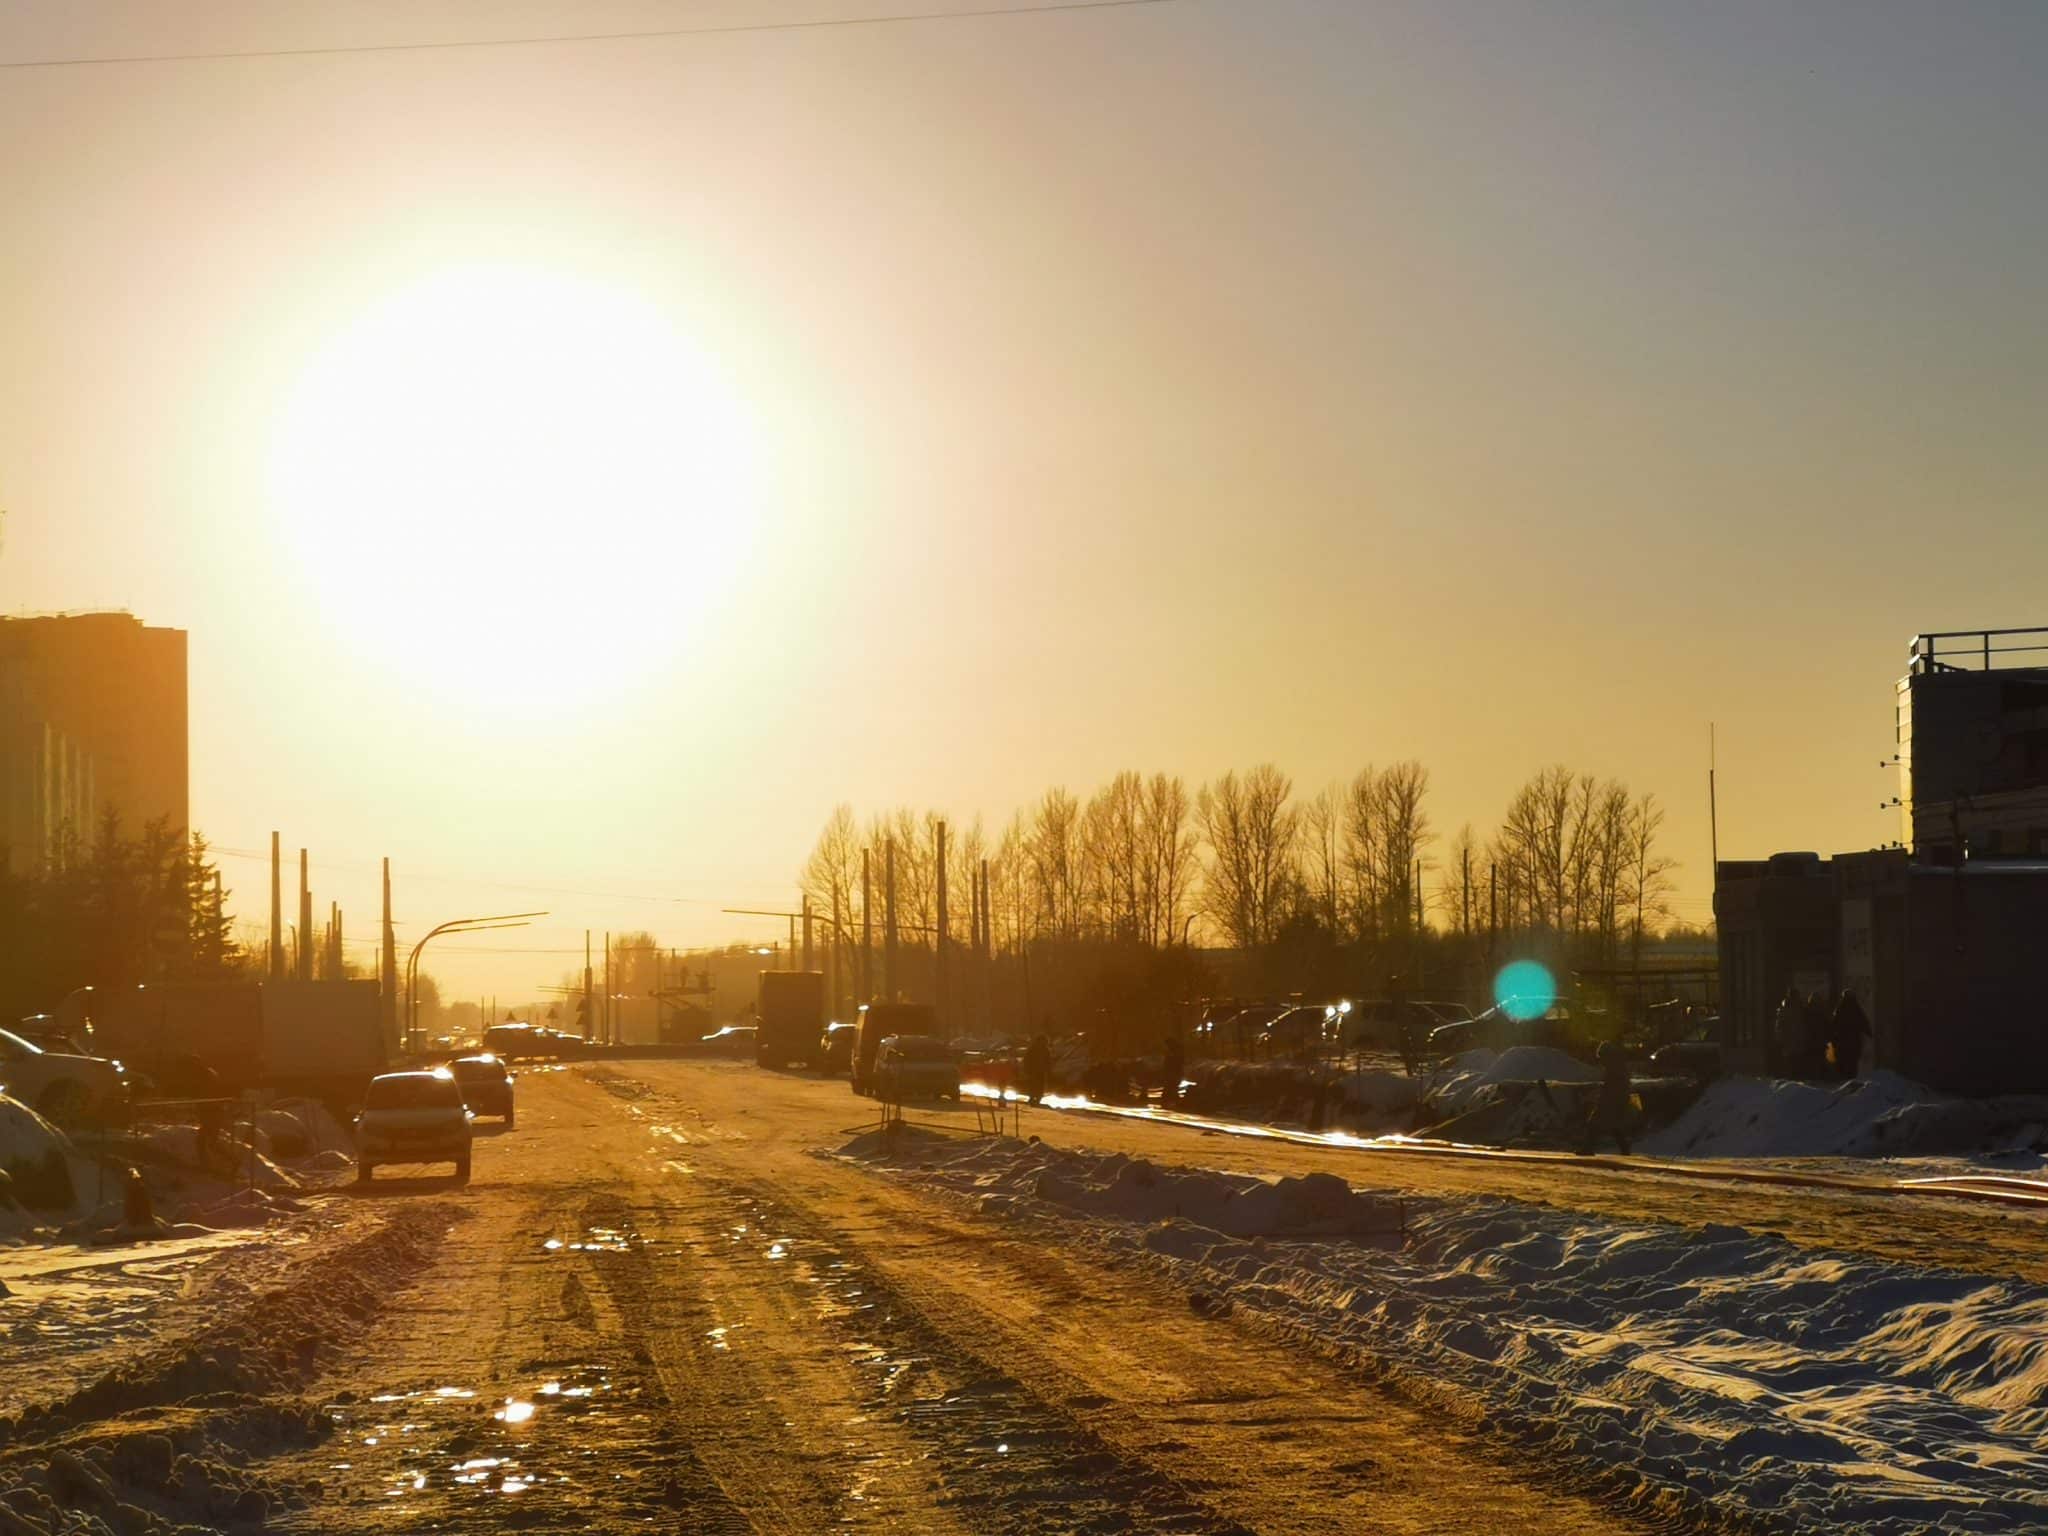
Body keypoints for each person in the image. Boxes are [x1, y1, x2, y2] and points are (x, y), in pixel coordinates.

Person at [1580, 1042, 1634, 1155]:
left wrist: (1603, 1099)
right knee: (1614, 1126)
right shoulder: (1618, 1066)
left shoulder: (1614, 1068)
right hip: (1616, 1100)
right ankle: (1625, 1151)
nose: (1601, 1061)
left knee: (1594, 1124)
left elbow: (1613, 1087)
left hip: (1611, 1101)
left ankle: (1587, 1148)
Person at [1829, 990, 1872, 1080]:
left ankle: (1844, 1080)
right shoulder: (1856, 1009)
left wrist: (1832, 1038)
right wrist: (1869, 1033)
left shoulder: (1840, 1009)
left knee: (1843, 1062)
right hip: (1854, 1042)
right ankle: (1850, 1080)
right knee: (1852, 1063)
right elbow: (1864, 1023)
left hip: (1842, 1043)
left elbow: (1833, 1025)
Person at [1770, 985, 1804, 1077]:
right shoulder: (1800, 1008)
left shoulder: (1784, 1009)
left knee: (1791, 1061)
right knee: (1794, 1061)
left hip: (1789, 1040)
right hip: (1795, 1040)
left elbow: (1779, 1026)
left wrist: (1780, 1038)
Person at [1799, 992, 1833, 1080]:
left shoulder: (1806, 1011)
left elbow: (1803, 1026)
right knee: (1819, 1059)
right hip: (1820, 1041)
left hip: (1809, 1041)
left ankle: (1812, 1078)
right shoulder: (1822, 1011)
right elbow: (1827, 1026)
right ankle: (1818, 1078)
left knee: (1811, 1061)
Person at [1022, 1032, 1051, 1106]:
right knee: (1036, 1086)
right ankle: (1035, 1099)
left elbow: (1048, 1061)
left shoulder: (1042, 1049)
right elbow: (1027, 1059)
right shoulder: (1038, 1049)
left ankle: (1035, 1099)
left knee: (1036, 1086)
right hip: (1035, 1071)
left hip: (1037, 1071)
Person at [1161, 1030, 1185, 1107]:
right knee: (1172, 1088)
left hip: (1172, 1072)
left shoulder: (1172, 1053)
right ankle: (1173, 1102)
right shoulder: (1175, 1052)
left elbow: (1169, 1063)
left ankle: (1169, 1102)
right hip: (1174, 1072)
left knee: (1170, 1087)